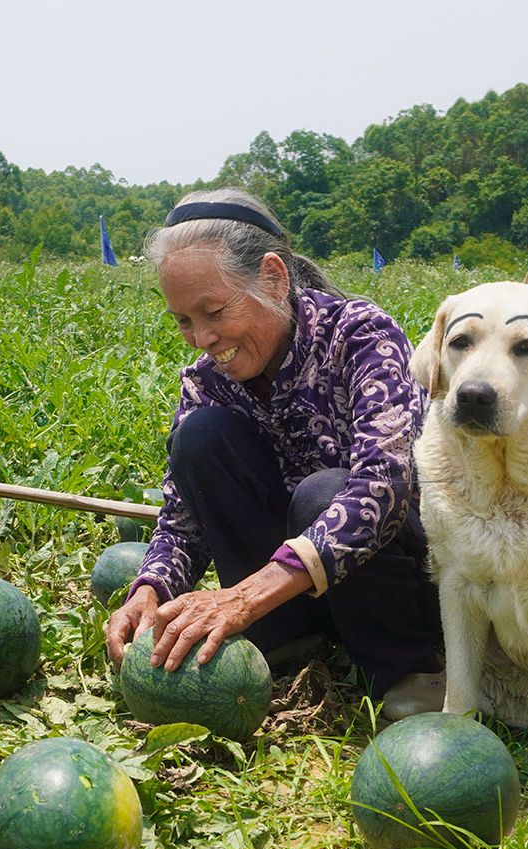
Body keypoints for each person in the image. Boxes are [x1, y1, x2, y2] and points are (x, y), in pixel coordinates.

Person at [104, 188, 444, 717]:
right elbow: (182, 517)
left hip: (397, 586)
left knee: (323, 492)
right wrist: (150, 587)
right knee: (201, 437)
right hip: (284, 595)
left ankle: (409, 671)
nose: (201, 339)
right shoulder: (207, 381)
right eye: (183, 321)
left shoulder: (359, 335)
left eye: (213, 311)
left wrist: (242, 596)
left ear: (272, 277)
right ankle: (286, 640)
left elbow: (386, 483)